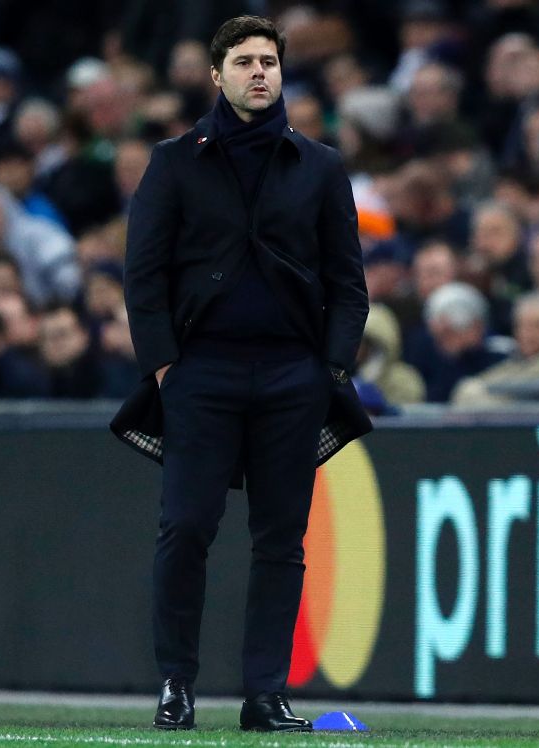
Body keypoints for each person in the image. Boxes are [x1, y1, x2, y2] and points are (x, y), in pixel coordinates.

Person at [109, 16, 370, 733]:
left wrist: (332, 367)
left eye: (271, 61)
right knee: (186, 526)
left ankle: (265, 693)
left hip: (293, 374)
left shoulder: (318, 165)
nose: (261, 72)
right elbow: (144, 274)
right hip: (202, 370)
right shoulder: (174, 161)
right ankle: (177, 683)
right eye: (246, 61)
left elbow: (349, 282)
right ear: (217, 75)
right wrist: (163, 364)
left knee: (281, 538)